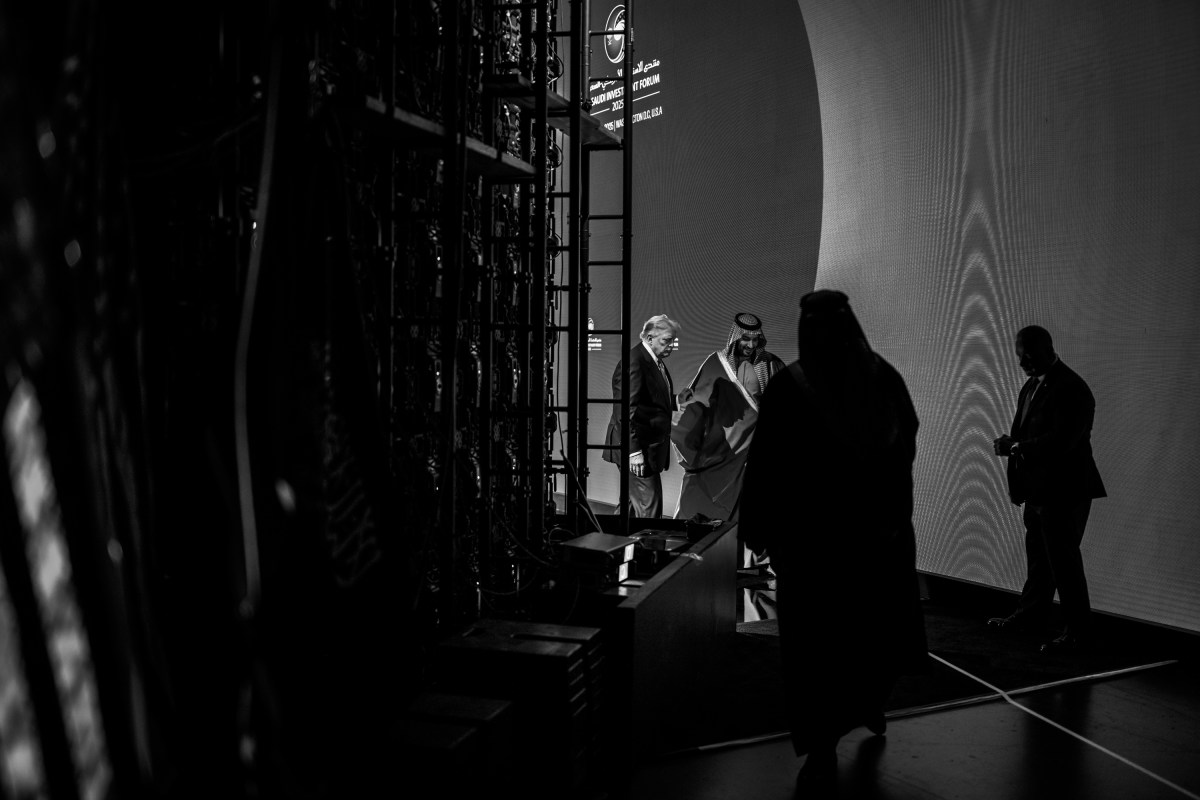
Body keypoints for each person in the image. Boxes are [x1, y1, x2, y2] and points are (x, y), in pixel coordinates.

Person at [739, 290, 927, 791]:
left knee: (814, 652)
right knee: (872, 636)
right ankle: (866, 707)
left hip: (812, 551)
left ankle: (822, 744)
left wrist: (758, 529)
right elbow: (904, 448)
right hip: (874, 544)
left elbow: (765, 467)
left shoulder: (788, 387)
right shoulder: (883, 377)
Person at [989, 325, 1106, 653]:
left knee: (1064, 564)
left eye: (1027, 354)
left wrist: (1015, 449)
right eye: (1019, 354)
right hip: (1041, 493)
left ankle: (1078, 634)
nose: (1022, 361)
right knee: (1041, 560)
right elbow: (1031, 437)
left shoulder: (1072, 388)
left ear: (1046, 348)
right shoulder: (1032, 387)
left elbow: (1062, 443)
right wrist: (1018, 484)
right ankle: (1031, 617)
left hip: (1066, 493)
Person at [671, 313, 786, 539]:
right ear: (735, 338)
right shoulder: (716, 363)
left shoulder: (772, 364)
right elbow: (700, 403)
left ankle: (751, 560)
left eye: (755, 340)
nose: (750, 345)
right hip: (723, 450)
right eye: (745, 339)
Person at [601, 314, 681, 518]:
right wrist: (633, 452)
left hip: (643, 447)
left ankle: (614, 547)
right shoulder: (636, 361)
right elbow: (625, 410)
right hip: (637, 448)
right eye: (666, 341)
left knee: (629, 507)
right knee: (649, 508)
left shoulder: (652, 360)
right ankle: (647, 550)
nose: (671, 345)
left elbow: (650, 399)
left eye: (672, 340)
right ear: (649, 337)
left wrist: (677, 400)